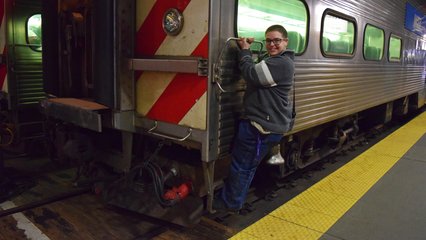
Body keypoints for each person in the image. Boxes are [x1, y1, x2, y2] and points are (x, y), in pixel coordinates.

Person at [214, 24, 295, 213]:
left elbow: (252, 74)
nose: (272, 44)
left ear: (285, 42)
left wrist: (244, 51)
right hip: (265, 124)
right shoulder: (276, 60)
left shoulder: (282, 64)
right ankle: (233, 198)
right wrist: (250, 52)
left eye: (276, 40)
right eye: (268, 40)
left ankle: (230, 203)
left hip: (261, 126)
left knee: (242, 166)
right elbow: (260, 67)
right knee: (246, 165)